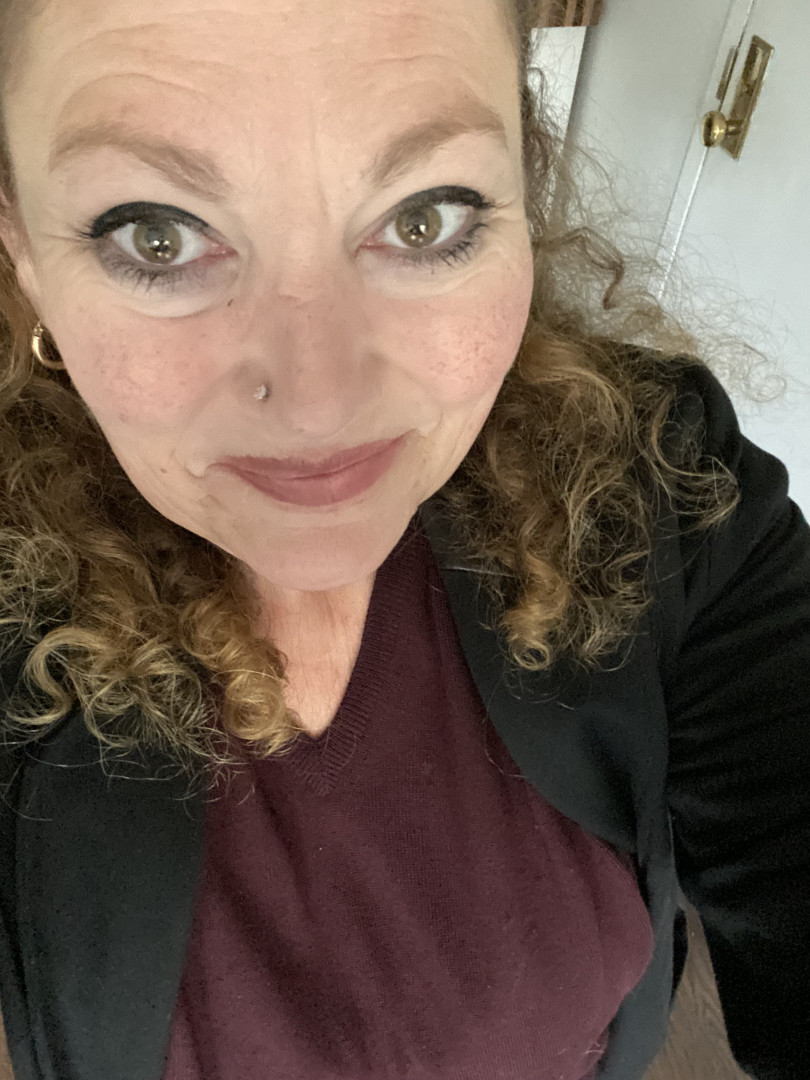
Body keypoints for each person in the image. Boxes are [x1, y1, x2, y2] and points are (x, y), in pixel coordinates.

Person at [0, 0, 807, 1078]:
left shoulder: (659, 477)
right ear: (22, 250)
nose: (318, 405)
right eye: (158, 235)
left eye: (425, 217)